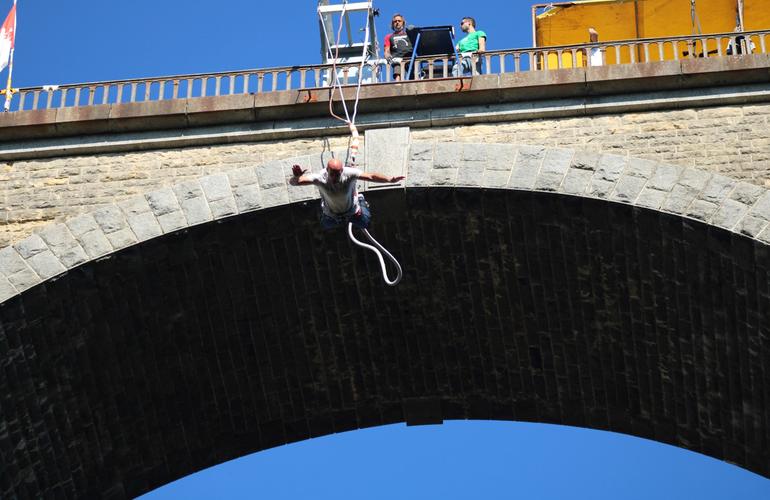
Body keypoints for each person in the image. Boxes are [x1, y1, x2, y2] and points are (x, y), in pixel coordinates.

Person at [290, 159, 404, 229]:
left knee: (366, 223)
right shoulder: (319, 178)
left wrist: (389, 179)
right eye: (332, 174)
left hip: (353, 210)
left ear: (342, 171)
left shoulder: (349, 173)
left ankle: (360, 200)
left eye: (338, 174)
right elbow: (295, 183)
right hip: (331, 214)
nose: (335, 178)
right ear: (327, 170)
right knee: (325, 226)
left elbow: (371, 176)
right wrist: (296, 177)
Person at [384, 13, 414, 81]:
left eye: (399, 21)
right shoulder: (389, 37)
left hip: (409, 57)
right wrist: (388, 57)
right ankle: (398, 86)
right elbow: (387, 51)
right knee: (397, 73)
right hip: (397, 58)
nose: (397, 22)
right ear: (392, 24)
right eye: (395, 21)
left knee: (412, 75)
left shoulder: (409, 34)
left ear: (403, 23)